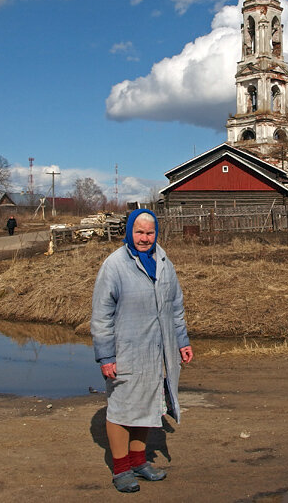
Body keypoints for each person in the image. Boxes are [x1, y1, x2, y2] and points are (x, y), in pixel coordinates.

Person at [90, 209, 193, 494]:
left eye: (149, 233)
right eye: (139, 232)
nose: (145, 238)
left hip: (157, 352)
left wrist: (182, 341)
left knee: (147, 406)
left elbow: (175, 307)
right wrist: (106, 356)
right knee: (122, 408)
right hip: (126, 352)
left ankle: (138, 463)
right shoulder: (115, 265)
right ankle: (121, 469)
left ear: (156, 233)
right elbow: (101, 316)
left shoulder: (164, 262)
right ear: (129, 232)